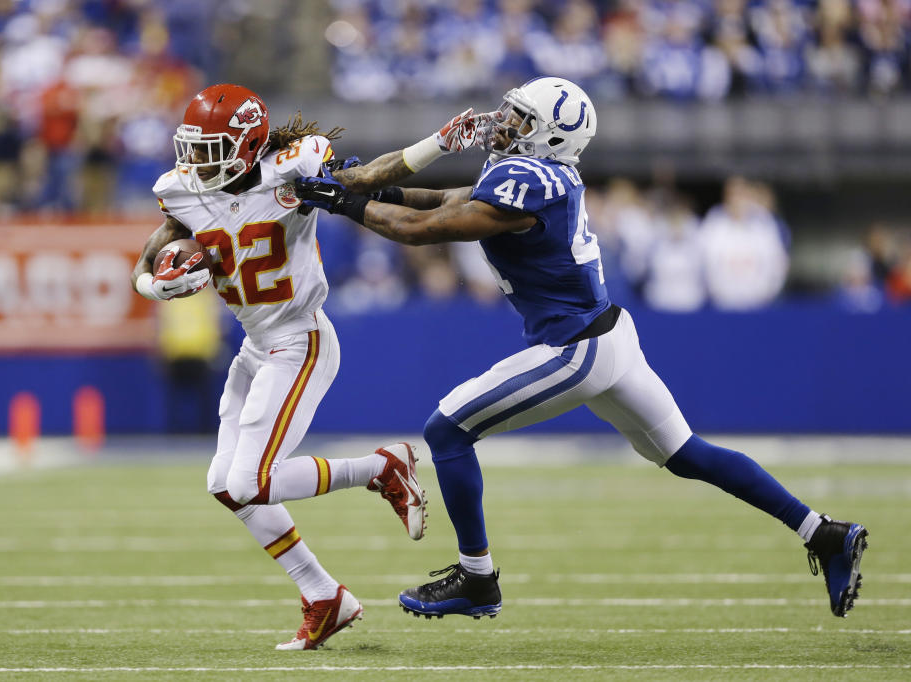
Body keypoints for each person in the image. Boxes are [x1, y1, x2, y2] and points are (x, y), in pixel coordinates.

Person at [294, 76, 869, 621]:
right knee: (688, 454)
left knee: (446, 430)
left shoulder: (531, 182)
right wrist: (375, 188)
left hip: (577, 347)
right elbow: (446, 198)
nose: (505, 122)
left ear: (550, 134)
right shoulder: (535, 173)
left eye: (522, 118)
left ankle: (477, 579)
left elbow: (427, 229)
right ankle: (824, 532)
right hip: (607, 334)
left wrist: (343, 204)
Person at [131, 83, 489, 649]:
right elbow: (151, 256)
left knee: (250, 482)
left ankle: (380, 468)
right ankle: (325, 596)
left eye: (208, 149)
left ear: (245, 146)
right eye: (191, 148)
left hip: (301, 340)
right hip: (255, 346)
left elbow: (368, 178)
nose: (194, 162)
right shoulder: (182, 192)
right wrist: (158, 286)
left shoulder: (290, 173)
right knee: (225, 485)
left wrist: (438, 143)